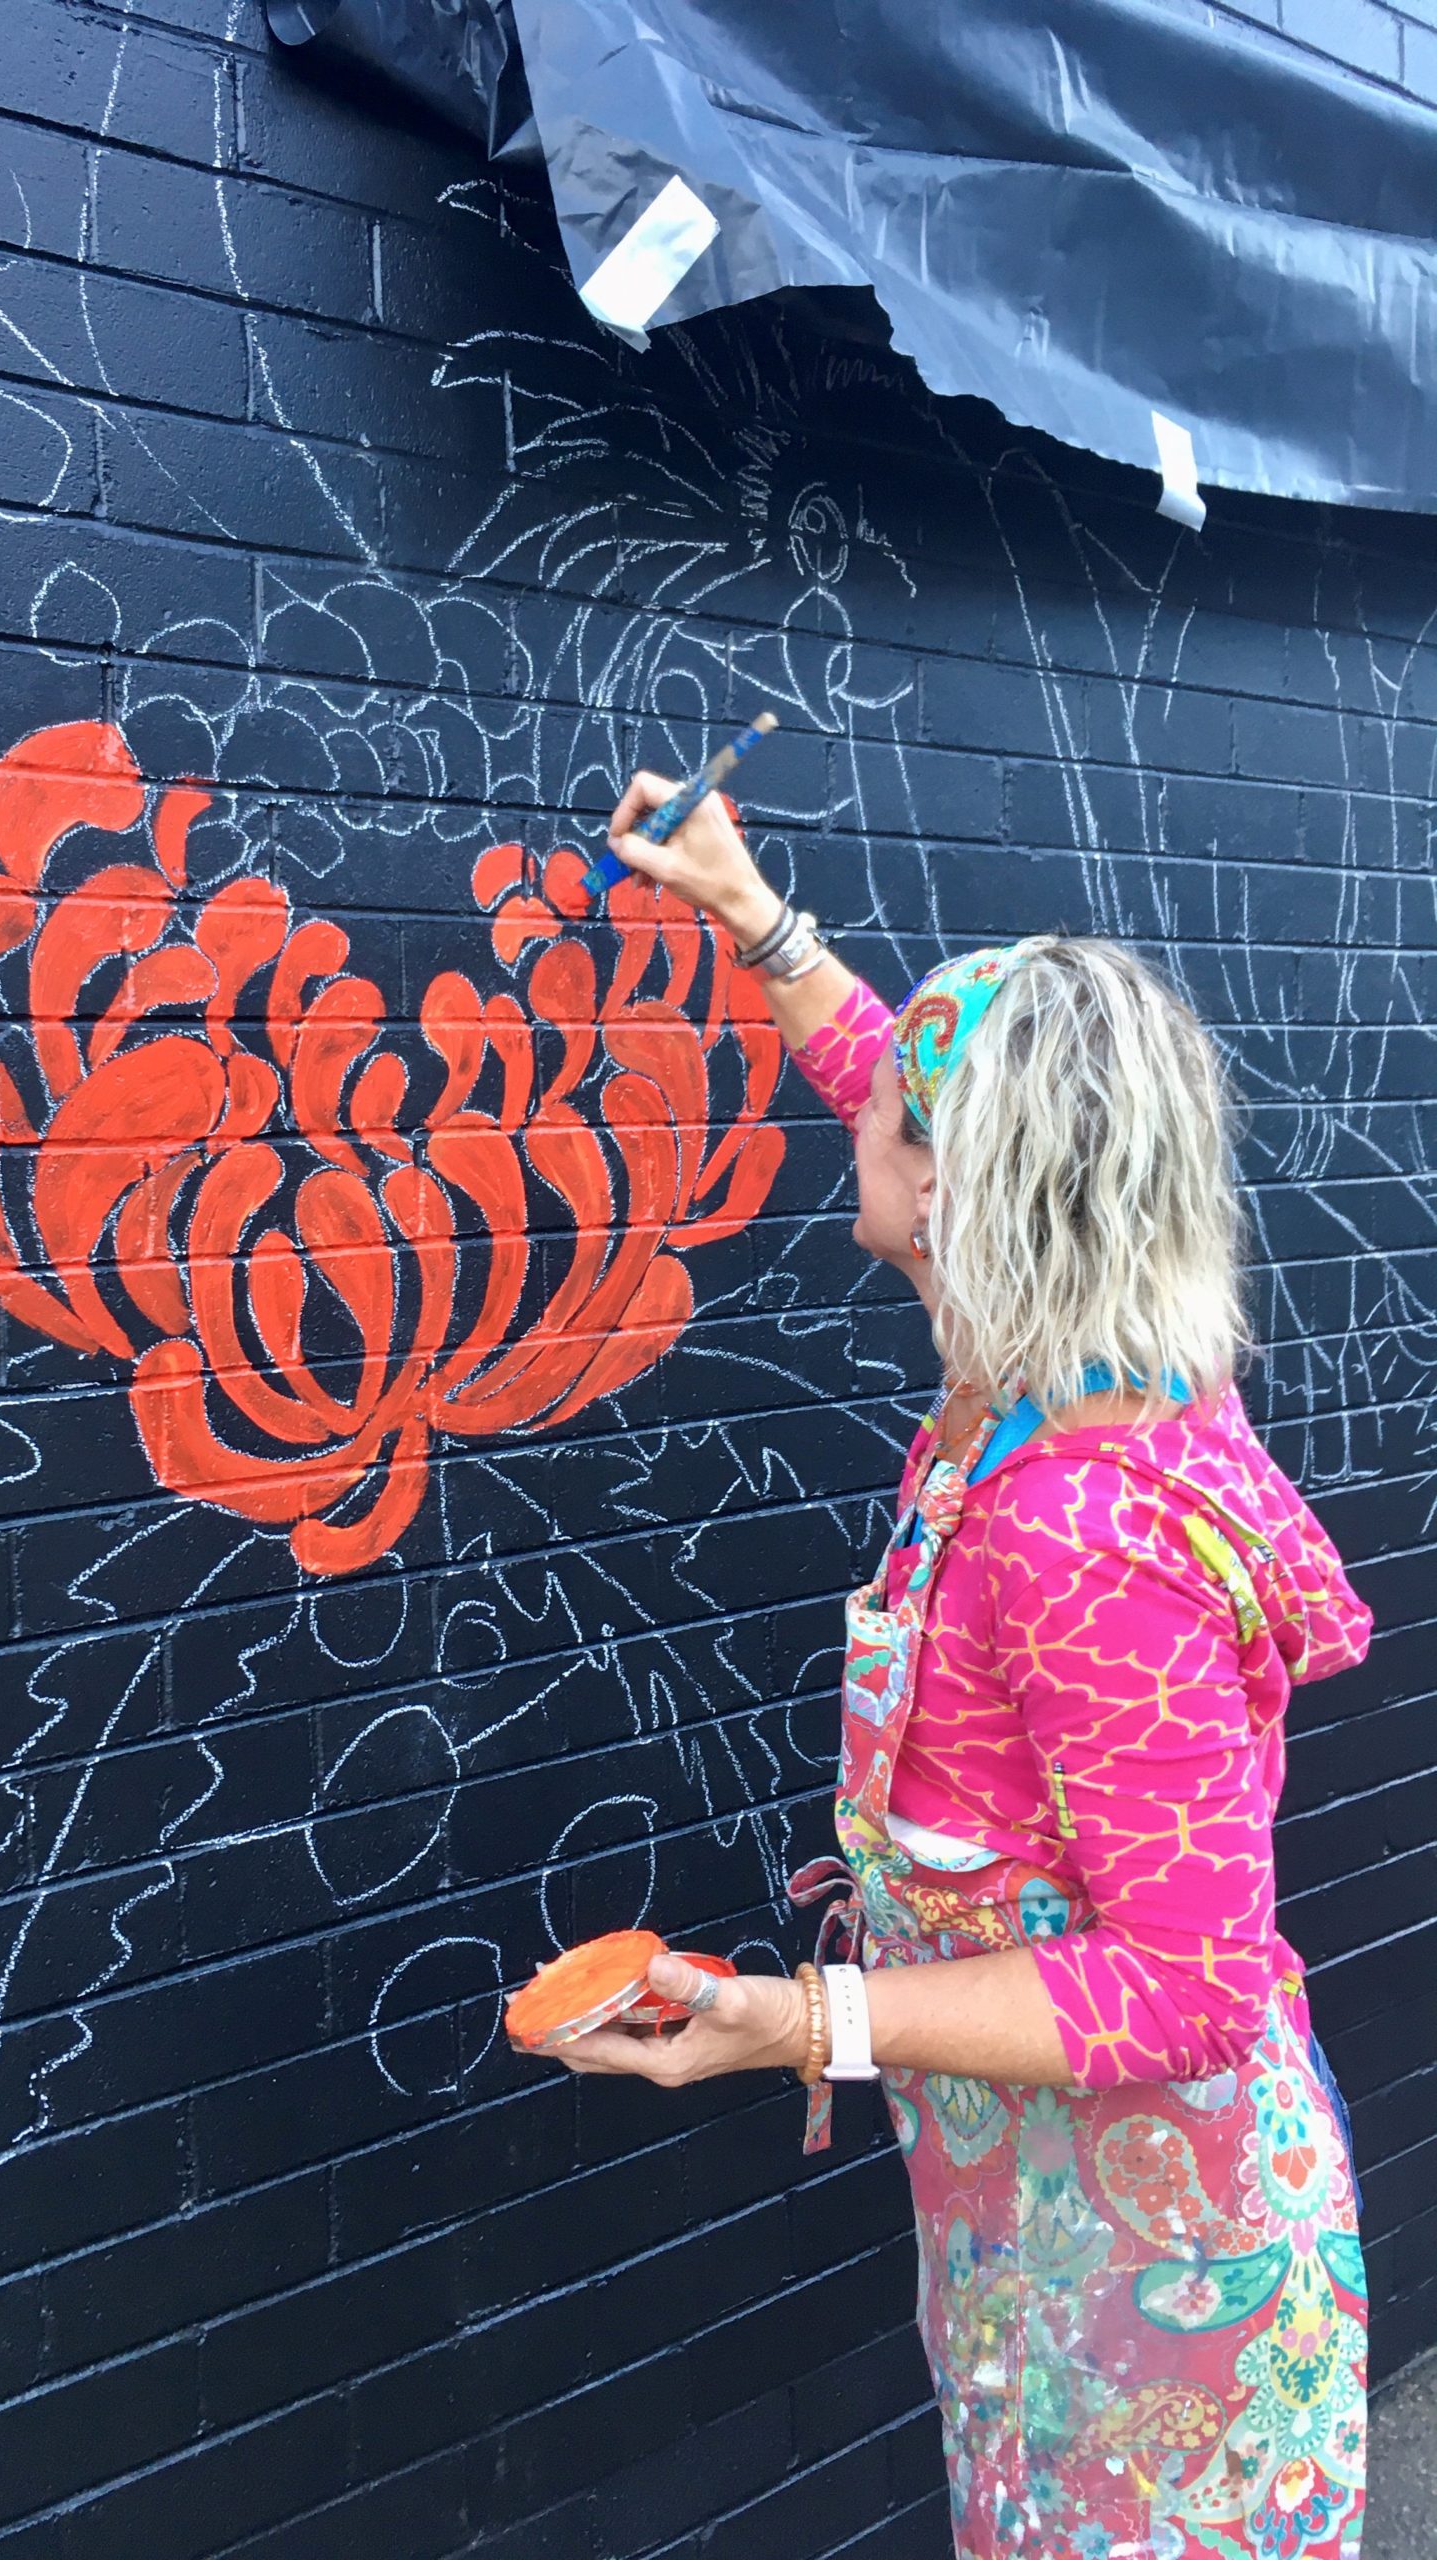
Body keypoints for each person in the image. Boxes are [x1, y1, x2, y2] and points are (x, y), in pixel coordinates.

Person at [530, 773, 1374, 2560]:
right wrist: (754, 915)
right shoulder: (1080, 1352)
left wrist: (799, 2023)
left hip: (1170, 2286)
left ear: (952, 1186)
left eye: (897, 1117)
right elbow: (880, 1063)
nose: (856, 1103)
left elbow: (1193, 1986)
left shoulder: (1078, 1533)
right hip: (1045, 2217)